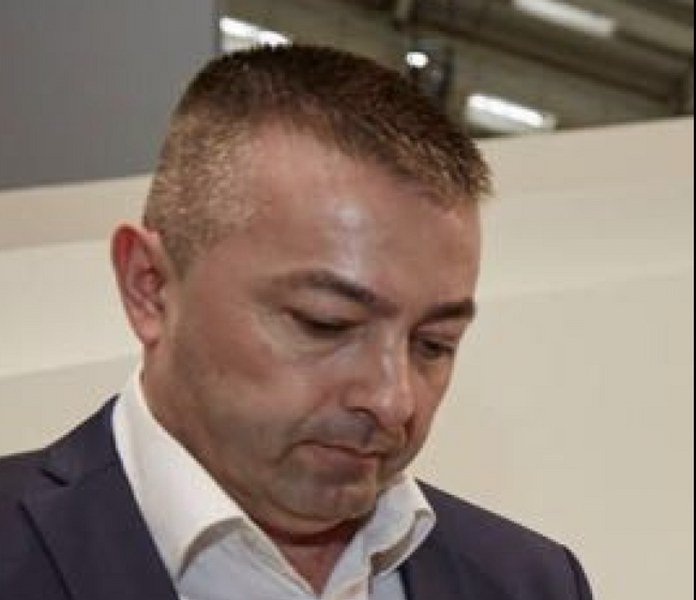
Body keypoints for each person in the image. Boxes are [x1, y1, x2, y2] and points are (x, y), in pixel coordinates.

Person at [0, 45, 592, 600]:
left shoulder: (529, 583)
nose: (393, 401)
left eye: (433, 345)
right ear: (149, 288)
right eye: (325, 324)